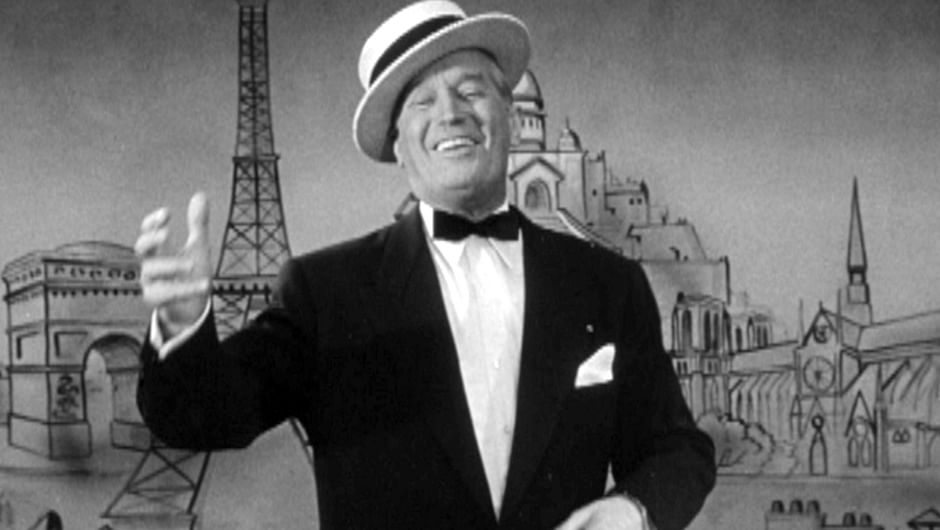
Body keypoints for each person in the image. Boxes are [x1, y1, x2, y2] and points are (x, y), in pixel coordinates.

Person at [134, 1, 716, 529]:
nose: (451, 114)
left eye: (470, 91)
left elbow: (677, 449)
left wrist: (633, 511)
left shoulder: (608, 284)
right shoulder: (326, 293)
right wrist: (183, 327)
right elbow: (202, 417)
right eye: (423, 101)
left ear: (510, 115)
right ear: (397, 144)